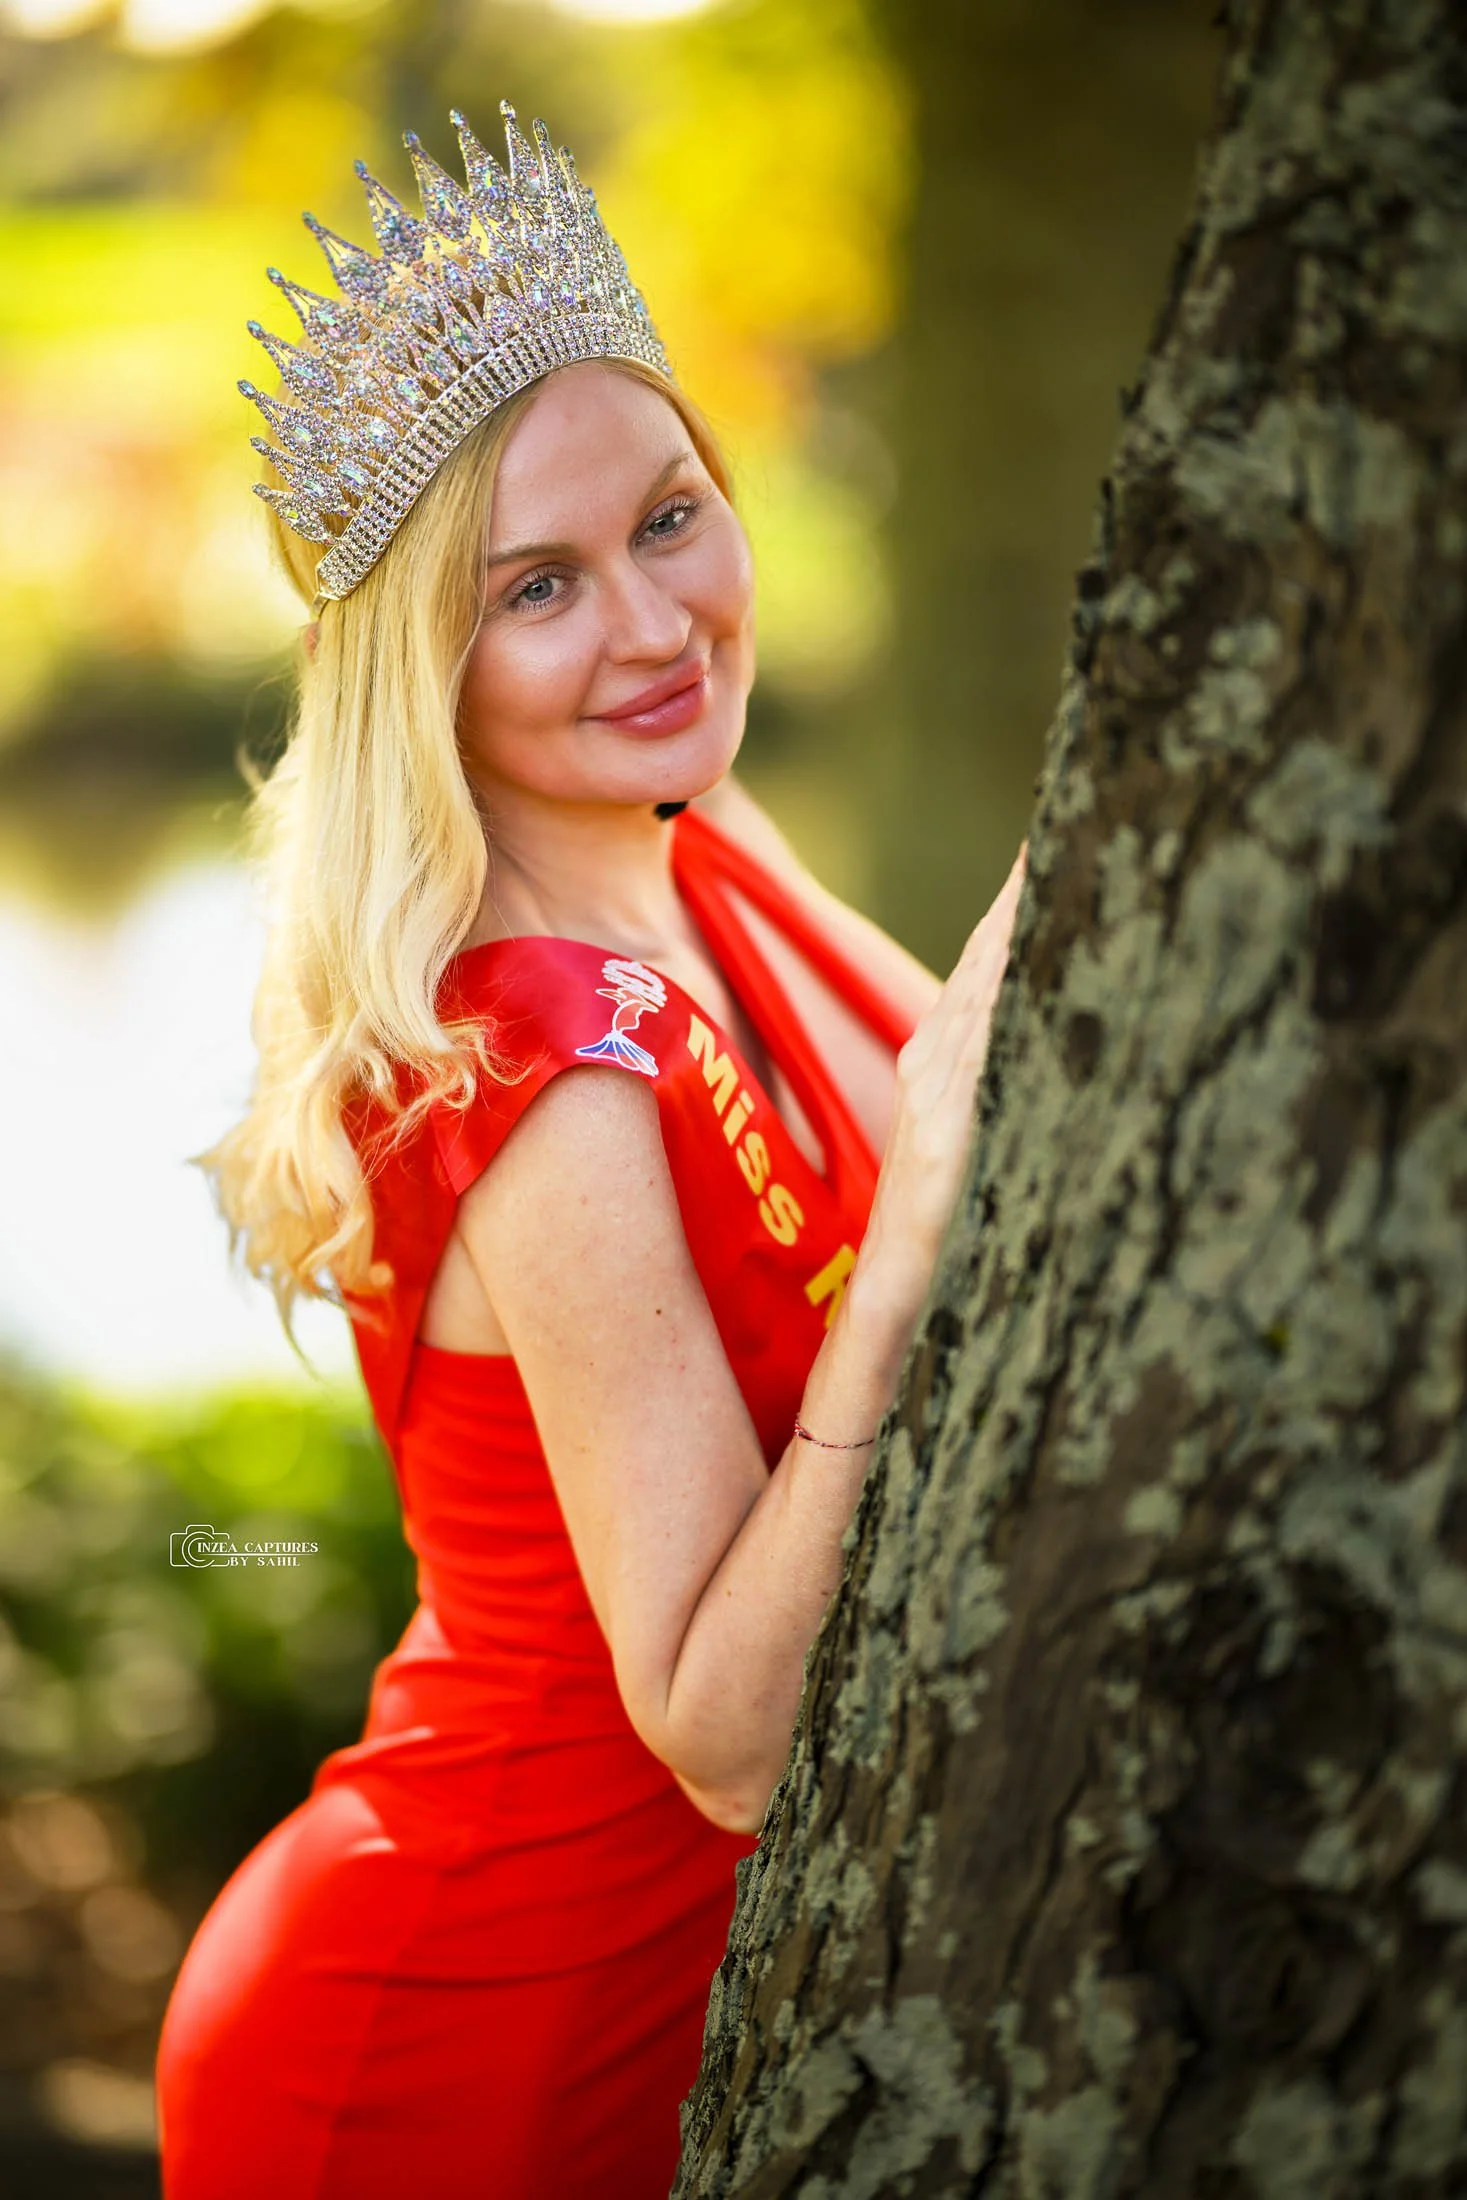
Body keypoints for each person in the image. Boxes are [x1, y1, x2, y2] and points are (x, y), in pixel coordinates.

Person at [154, 99, 1025, 2200]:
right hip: (459, 2034)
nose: (652, 624)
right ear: (420, 676)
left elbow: (985, 1061)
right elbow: (722, 1732)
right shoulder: (529, 1055)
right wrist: (897, 1267)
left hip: (679, 1998)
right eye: (535, 584)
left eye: (669, 518)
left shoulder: (697, 844)